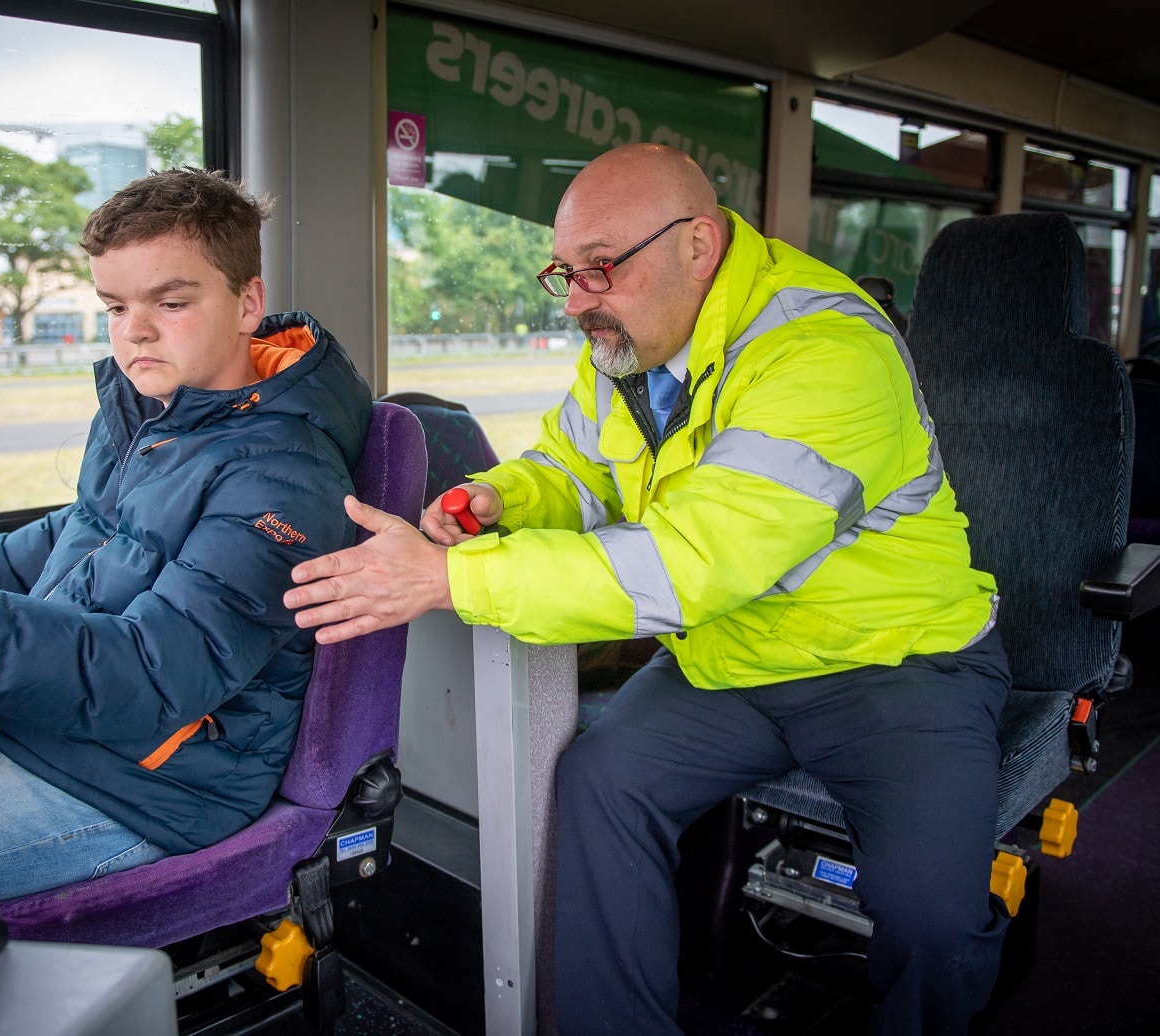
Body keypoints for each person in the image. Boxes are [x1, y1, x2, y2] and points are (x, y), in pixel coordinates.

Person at [285, 143, 1010, 1035]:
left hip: (896, 661)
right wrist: (499, 498)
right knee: (599, 783)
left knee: (931, 918)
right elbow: (577, 469)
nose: (580, 299)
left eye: (601, 268)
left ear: (698, 245)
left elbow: (691, 561)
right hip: (732, 655)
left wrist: (446, 578)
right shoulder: (629, 343)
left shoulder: (825, 354)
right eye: (566, 273)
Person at [0, 168, 374, 900]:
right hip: (26, 722)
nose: (135, 331)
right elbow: (64, 542)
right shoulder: (152, 415)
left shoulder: (284, 478)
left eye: (171, 301)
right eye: (115, 307)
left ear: (248, 302)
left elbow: (155, 674)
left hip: (144, 786)